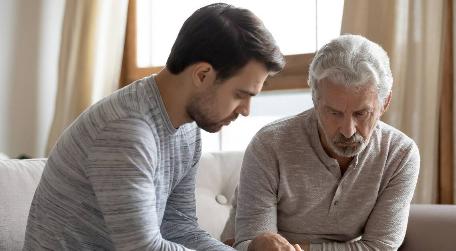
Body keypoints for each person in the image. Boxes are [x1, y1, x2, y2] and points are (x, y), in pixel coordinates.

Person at [23, 3, 285, 251]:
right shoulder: (126, 129)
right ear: (202, 75)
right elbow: (143, 248)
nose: (246, 110)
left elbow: (178, 225)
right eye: (241, 94)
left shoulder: (187, 128)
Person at [232, 35, 420, 251]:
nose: (348, 130)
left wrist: (300, 248)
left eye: (361, 113)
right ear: (315, 99)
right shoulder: (269, 144)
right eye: (334, 112)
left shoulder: (400, 154)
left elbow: (380, 248)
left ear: (384, 103)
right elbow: (255, 243)